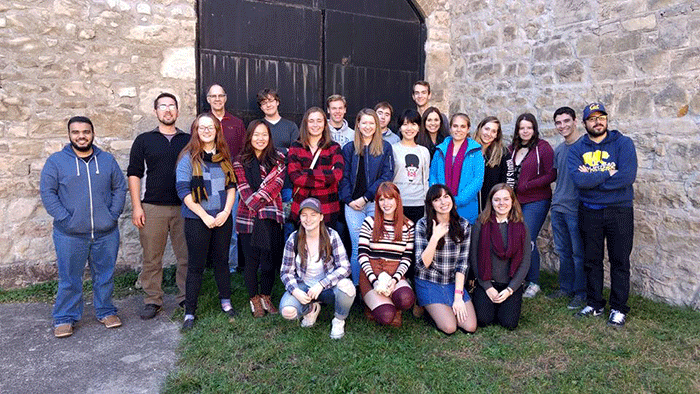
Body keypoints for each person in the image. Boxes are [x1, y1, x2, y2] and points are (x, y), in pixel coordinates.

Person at [40, 116, 127, 338]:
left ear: (93, 133)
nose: (81, 136)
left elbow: (119, 187)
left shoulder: (106, 160)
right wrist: (64, 218)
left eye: (86, 132)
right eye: (76, 132)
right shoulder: (56, 162)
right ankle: (65, 318)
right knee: (70, 278)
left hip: (105, 232)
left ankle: (106, 311)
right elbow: (48, 192)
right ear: (69, 135)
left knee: (105, 275)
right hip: (69, 234)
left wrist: (112, 215)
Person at [569, 103, 637, 328]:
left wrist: (593, 179)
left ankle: (618, 308)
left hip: (620, 211)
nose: (597, 122)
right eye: (592, 118)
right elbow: (579, 181)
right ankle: (595, 303)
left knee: (619, 260)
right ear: (585, 123)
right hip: (589, 211)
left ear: (606, 120)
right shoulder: (578, 149)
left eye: (601, 117)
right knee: (591, 260)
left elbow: (627, 177)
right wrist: (608, 172)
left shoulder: (623, 143)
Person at [127, 92, 189, 319]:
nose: (167, 110)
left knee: (186, 256)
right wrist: (137, 206)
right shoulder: (144, 140)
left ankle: (185, 298)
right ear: (156, 112)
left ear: (177, 111)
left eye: (171, 105)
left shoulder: (188, 140)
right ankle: (153, 299)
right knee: (152, 257)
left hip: (185, 207)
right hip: (152, 207)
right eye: (162, 106)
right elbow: (134, 173)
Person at [175, 114, 237, 331]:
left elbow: (231, 187)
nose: (207, 131)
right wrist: (204, 215)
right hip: (197, 219)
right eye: (202, 127)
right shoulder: (188, 158)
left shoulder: (224, 157)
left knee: (222, 261)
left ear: (217, 130)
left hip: (222, 218)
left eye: (211, 127)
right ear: (196, 131)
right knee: (195, 266)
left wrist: (226, 212)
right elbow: (183, 191)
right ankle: (190, 312)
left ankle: (226, 302)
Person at [279, 198, 356, 339]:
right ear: (300, 218)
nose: (308, 219)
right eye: (304, 215)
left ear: (321, 217)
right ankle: (311, 309)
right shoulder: (293, 239)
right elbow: (285, 272)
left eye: (313, 215)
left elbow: (345, 267)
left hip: (327, 288)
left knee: (348, 288)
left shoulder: (331, 236)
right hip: (304, 286)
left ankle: (339, 320)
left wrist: (322, 284)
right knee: (288, 312)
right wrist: (295, 291)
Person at [232, 120, 286, 317]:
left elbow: (276, 185)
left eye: (264, 135)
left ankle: (266, 296)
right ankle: (254, 299)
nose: (260, 139)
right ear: (249, 137)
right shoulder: (239, 161)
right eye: (256, 135)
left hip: (271, 216)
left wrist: (256, 201)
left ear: (269, 138)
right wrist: (256, 203)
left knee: (269, 260)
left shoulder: (279, 159)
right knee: (251, 261)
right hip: (248, 218)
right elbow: (243, 190)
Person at [340, 108, 394, 285]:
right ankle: (357, 286)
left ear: (376, 125)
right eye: (364, 122)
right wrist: (349, 200)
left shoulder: (385, 148)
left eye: (372, 123)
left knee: (374, 246)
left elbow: (386, 176)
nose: (368, 126)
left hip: (374, 203)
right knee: (357, 247)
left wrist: (366, 197)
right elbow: (344, 176)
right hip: (352, 205)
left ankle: (373, 285)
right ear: (358, 124)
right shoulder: (349, 148)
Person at [505, 113, 556, 299]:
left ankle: (534, 282)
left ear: (534, 129)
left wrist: (528, 185)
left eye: (529, 127)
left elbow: (552, 174)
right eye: (522, 128)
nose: (525, 131)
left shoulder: (543, 148)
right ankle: (521, 277)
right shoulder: (512, 149)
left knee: (528, 237)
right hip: (514, 202)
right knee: (515, 238)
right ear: (517, 130)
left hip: (536, 200)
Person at [414, 184, 476, 334]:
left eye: (446, 197)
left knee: (470, 326)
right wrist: (435, 238)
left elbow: (462, 264)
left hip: (452, 282)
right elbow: (422, 266)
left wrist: (458, 296)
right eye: (437, 199)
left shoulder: (464, 225)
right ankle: (424, 304)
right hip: (429, 281)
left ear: (452, 200)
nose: (443, 202)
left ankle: (441, 306)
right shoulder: (422, 224)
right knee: (449, 327)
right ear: (431, 204)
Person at [470, 183, 531, 330]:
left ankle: (504, 304)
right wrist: (487, 286)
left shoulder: (521, 226)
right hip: (487, 282)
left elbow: (525, 261)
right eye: (497, 199)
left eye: (506, 199)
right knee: (484, 320)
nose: (501, 203)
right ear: (491, 201)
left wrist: (511, 289)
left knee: (509, 324)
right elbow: (474, 257)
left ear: (512, 201)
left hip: (509, 285)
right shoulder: (480, 224)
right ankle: (488, 302)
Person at [357, 182, 416, 327]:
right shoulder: (369, 222)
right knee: (387, 316)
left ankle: (392, 300)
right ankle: (370, 303)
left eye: (390, 198)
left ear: (397, 200)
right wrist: (374, 281)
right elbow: (362, 255)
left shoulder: (408, 225)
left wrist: (395, 280)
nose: (386, 203)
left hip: (395, 272)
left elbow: (407, 257)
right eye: (381, 199)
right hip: (371, 272)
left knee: (406, 299)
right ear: (377, 202)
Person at [548, 107, 586, 310]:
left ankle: (581, 293)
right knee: (563, 251)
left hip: (576, 208)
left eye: (566, 121)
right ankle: (565, 288)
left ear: (575, 121)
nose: (562, 126)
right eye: (558, 122)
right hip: (558, 206)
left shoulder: (585, 146)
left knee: (579, 253)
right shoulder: (559, 149)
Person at [206, 84, 246, 273]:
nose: (217, 99)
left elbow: (243, 153)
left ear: (225, 98)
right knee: (208, 223)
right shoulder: (202, 122)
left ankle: (230, 267)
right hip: (207, 181)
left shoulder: (236, 124)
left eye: (220, 95)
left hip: (231, 183)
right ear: (208, 99)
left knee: (231, 227)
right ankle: (210, 265)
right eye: (213, 96)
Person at [288, 107, 345, 229]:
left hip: (327, 207)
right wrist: (326, 177)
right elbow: (295, 177)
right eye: (311, 121)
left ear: (325, 124)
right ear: (306, 124)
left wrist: (307, 173)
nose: (315, 125)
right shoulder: (296, 147)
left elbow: (337, 175)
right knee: (302, 246)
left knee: (327, 246)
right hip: (302, 207)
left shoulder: (334, 148)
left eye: (319, 121)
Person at [429, 113, 484, 225]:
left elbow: (477, 180)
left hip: (466, 206)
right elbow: (433, 175)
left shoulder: (476, 152)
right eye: (455, 126)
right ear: (450, 128)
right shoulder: (440, 150)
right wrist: (440, 198)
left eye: (463, 126)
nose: (458, 130)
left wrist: (458, 200)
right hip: (441, 206)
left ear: (468, 129)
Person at [392, 109, 430, 225]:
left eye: (413, 124)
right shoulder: (392, 149)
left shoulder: (424, 151)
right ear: (400, 127)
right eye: (405, 124)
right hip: (397, 201)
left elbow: (426, 178)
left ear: (419, 127)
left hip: (418, 203)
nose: (409, 128)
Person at [474, 116, 509, 212]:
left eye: (493, 131)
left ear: (497, 135)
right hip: (471, 204)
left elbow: (508, 180)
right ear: (480, 129)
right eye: (486, 129)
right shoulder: (469, 149)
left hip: (493, 206)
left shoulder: (503, 153)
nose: (489, 134)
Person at [258, 88, 299, 155]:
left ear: (277, 102)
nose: (268, 105)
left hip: (286, 164)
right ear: (261, 107)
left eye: (271, 101)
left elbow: (295, 152)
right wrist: (285, 150)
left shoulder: (291, 126)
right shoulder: (257, 126)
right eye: (264, 103)